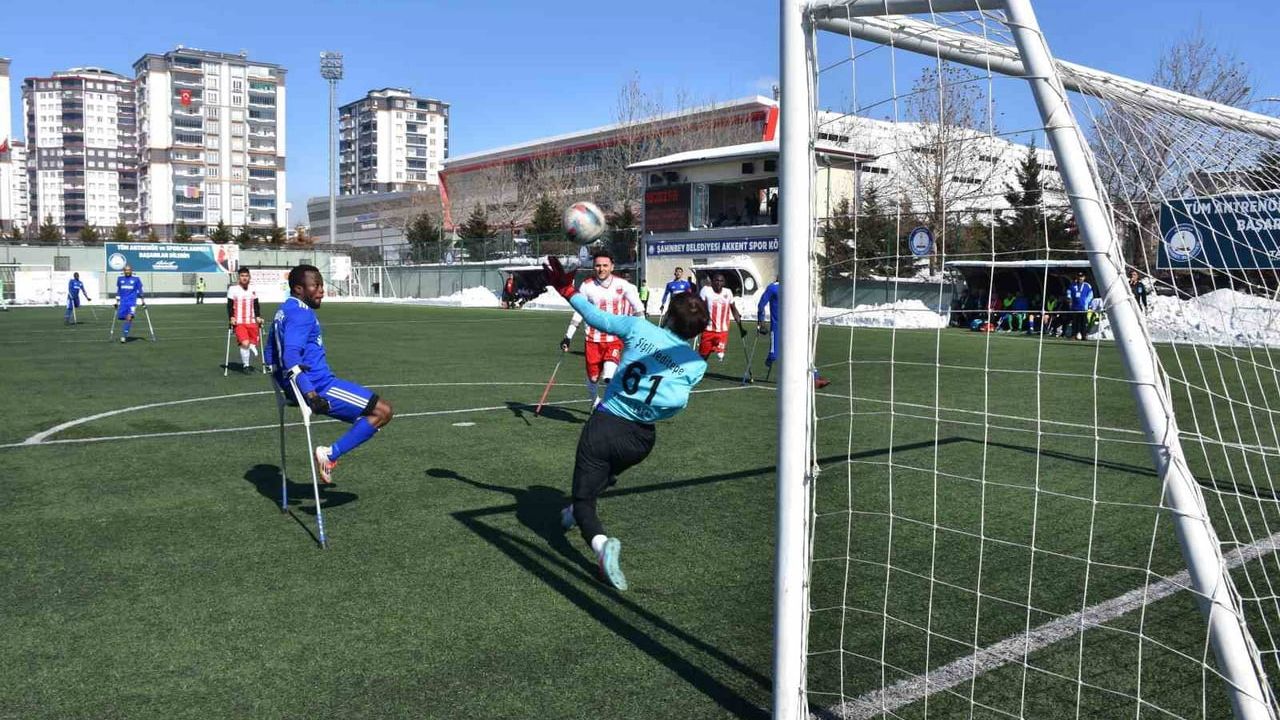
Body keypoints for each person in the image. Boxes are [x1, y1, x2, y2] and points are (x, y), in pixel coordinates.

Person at [543, 255, 709, 591]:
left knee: (584, 500)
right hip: (641, 441)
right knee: (605, 476)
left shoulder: (638, 327)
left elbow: (595, 316)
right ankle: (573, 513)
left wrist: (566, 289)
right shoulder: (695, 364)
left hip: (606, 425)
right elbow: (676, 403)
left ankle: (601, 548)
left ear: (666, 315)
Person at [265, 264, 394, 483]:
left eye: (321, 285)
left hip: (294, 386)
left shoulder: (283, 310)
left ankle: (333, 452)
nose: (321, 290)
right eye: (315, 285)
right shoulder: (301, 314)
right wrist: (311, 394)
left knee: (370, 414)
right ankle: (329, 454)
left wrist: (284, 386)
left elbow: (269, 355)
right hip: (318, 386)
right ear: (298, 289)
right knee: (383, 411)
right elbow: (290, 356)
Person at [561, 250, 644, 408]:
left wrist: (643, 333)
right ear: (594, 267)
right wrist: (568, 336)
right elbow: (579, 311)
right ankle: (594, 402)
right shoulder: (587, 286)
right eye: (598, 265)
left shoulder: (623, 285)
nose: (601, 269)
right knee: (593, 378)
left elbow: (638, 308)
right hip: (592, 340)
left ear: (612, 266)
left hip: (614, 339)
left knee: (609, 375)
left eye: (605, 265)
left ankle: (611, 408)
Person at [757, 278, 829, 389]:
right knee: (774, 355)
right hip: (776, 328)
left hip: (792, 327)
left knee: (802, 352)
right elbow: (761, 304)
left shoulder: (793, 287)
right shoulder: (772, 287)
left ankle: (815, 378)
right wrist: (761, 322)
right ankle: (769, 360)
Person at [698, 273, 747, 360]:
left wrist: (741, 328)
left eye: (721, 281)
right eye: (716, 280)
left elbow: (734, 309)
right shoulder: (705, 291)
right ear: (712, 282)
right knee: (702, 357)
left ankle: (720, 350)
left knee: (720, 355)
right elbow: (699, 307)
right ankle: (697, 371)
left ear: (724, 283)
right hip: (708, 331)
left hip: (722, 332)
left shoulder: (728, 292)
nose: (718, 283)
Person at [227, 267, 263, 373]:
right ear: (239, 277)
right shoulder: (233, 289)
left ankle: (252, 345)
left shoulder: (253, 289)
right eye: (242, 276)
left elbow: (256, 305)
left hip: (251, 321)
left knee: (252, 342)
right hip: (239, 322)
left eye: (246, 276)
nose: (244, 278)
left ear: (249, 277)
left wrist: (258, 317)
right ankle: (246, 366)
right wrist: (231, 318)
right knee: (245, 343)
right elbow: (229, 306)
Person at [114, 265, 145, 343]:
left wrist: (143, 300)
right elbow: (119, 290)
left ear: (131, 271)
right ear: (124, 271)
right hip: (123, 302)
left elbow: (140, 290)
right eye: (126, 270)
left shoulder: (136, 279)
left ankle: (124, 336)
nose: (127, 271)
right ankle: (126, 328)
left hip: (132, 303)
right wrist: (116, 301)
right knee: (122, 318)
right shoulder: (120, 279)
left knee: (129, 317)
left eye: (129, 270)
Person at [1066, 271, 1094, 340]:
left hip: (1083, 307)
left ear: (1084, 278)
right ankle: (1073, 335)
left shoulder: (1087, 285)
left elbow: (1090, 295)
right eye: (1079, 276)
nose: (1080, 278)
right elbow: (1069, 292)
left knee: (1083, 322)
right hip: (1074, 307)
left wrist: (1086, 303)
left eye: (1081, 277)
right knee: (1075, 322)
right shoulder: (1072, 285)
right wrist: (1069, 299)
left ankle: (1084, 335)